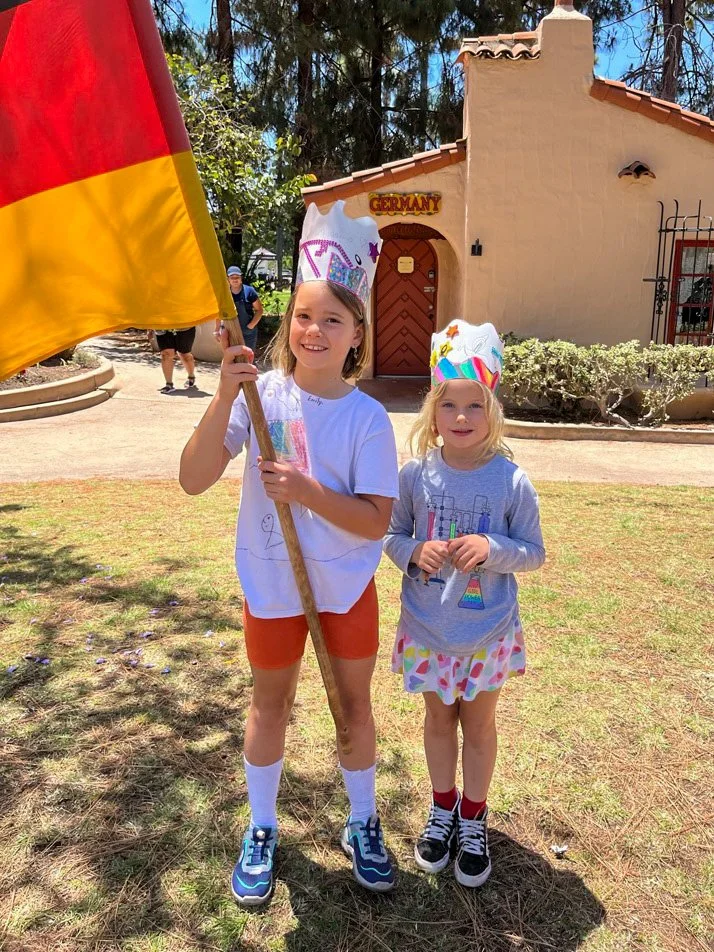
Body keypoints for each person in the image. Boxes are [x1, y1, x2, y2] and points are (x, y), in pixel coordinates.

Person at [180, 201, 399, 906]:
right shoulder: (261, 398)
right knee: (268, 705)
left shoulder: (368, 419)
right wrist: (224, 397)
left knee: (352, 711)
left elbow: (374, 523)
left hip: (345, 591)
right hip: (273, 586)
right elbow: (192, 478)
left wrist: (305, 490)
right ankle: (264, 827)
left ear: (356, 333)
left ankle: (363, 821)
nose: (314, 330)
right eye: (304, 315)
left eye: (333, 319)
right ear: (287, 322)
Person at [384, 320, 545, 888]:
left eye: (473, 405)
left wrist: (493, 547)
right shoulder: (415, 476)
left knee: (478, 727)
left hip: (487, 634)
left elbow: (533, 552)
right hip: (429, 627)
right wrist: (413, 550)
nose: (459, 417)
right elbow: (391, 535)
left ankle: (474, 818)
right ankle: (443, 807)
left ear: (492, 409)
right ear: (432, 411)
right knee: (437, 720)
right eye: (447, 404)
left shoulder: (512, 481)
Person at [215, 266, 264, 353]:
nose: (235, 280)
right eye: (232, 277)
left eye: (237, 277)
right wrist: (217, 330)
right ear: (228, 279)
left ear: (241, 278)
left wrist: (251, 325)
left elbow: (259, 310)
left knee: (248, 356)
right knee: (230, 356)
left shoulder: (249, 291)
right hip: (229, 330)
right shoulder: (224, 294)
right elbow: (219, 312)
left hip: (247, 331)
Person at [153, 327, 197, 393]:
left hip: (184, 325)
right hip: (163, 326)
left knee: (185, 355)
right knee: (166, 354)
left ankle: (191, 376)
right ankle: (169, 384)